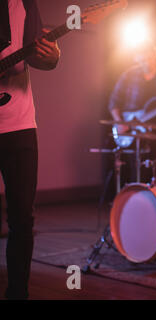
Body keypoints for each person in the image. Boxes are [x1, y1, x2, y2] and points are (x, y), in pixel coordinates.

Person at [0, 0, 60, 299]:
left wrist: (52, 55)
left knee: (22, 219)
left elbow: (39, 56)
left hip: (19, 124)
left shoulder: (25, 2)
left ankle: (17, 294)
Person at [107, 42, 156, 183]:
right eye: (142, 59)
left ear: (155, 54)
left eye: (149, 58)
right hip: (134, 134)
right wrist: (120, 122)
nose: (146, 62)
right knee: (135, 172)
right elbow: (114, 101)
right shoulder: (129, 75)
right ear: (136, 58)